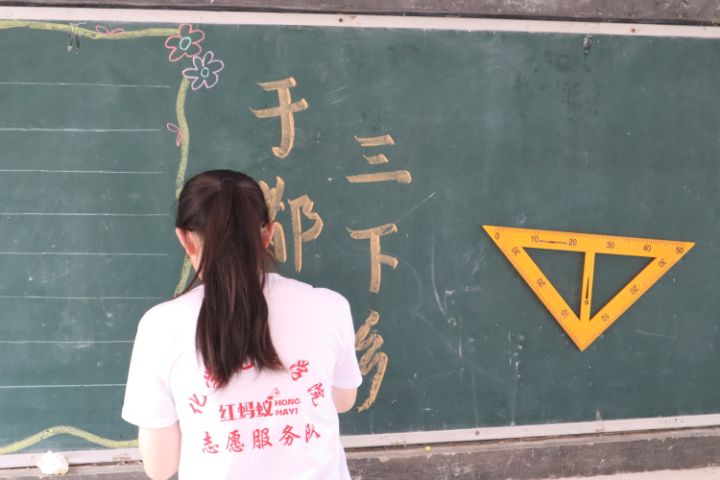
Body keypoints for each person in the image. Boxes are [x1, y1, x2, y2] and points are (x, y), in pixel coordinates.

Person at [122, 170, 362, 479]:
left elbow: (160, 468)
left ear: (185, 239)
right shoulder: (329, 306)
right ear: (267, 234)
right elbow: (342, 400)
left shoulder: (160, 326)